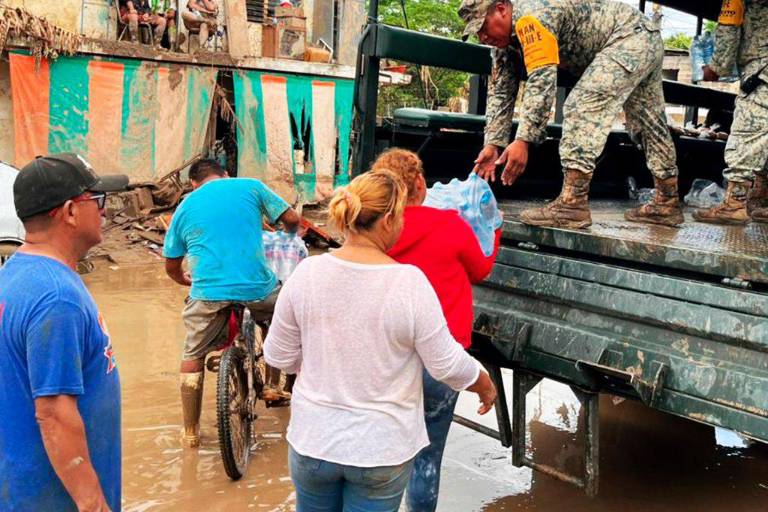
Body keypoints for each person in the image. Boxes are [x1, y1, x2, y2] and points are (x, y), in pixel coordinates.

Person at [264, 170, 498, 512]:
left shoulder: (307, 274)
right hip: (379, 450)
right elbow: (446, 363)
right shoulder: (408, 283)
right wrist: (484, 384)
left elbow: (278, 355)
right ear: (388, 219)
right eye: (401, 215)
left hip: (314, 442)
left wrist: (322, 363)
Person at [462, 0, 683, 229]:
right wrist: (493, 143)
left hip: (628, 36)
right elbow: (501, 91)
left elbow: (542, 81)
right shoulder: (504, 47)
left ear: (501, 8)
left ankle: (572, 204)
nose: (482, 37)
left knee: (581, 106)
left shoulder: (531, 18)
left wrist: (523, 140)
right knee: (646, 122)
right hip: (643, 36)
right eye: (476, 33)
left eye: (483, 26)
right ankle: (667, 202)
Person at [370, 149, 501, 511]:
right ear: (420, 184)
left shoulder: (374, 234)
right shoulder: (449, 225)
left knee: (380, 456)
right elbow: (480, 269)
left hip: (388, 359)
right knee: (427, 459)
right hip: (444, 360)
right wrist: (495, 228)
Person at [0, 153, 127, 511]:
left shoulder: (14, 275)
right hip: (55, 500)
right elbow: (54, 413)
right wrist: (94, 505)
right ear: (70, 211)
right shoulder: (57, 298)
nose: (104, 211)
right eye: (97, 200)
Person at [163, 159, 300, 448]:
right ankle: (275, 385)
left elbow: (172, 264)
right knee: (282, 313)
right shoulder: (250, 186)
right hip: (257, 288)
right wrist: (284, 233)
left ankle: (191, 433)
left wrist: (185, 281)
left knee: (192, 354)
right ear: (225, 175)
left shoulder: (184, 207)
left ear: (193, 183)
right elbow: (292, 220)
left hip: (208, 293)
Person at [696, 0, 768, 224]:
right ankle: (764, 201)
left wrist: (716, 67)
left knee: (747, 133)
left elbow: (729, 26)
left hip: (762, 69)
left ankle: (734, 204)